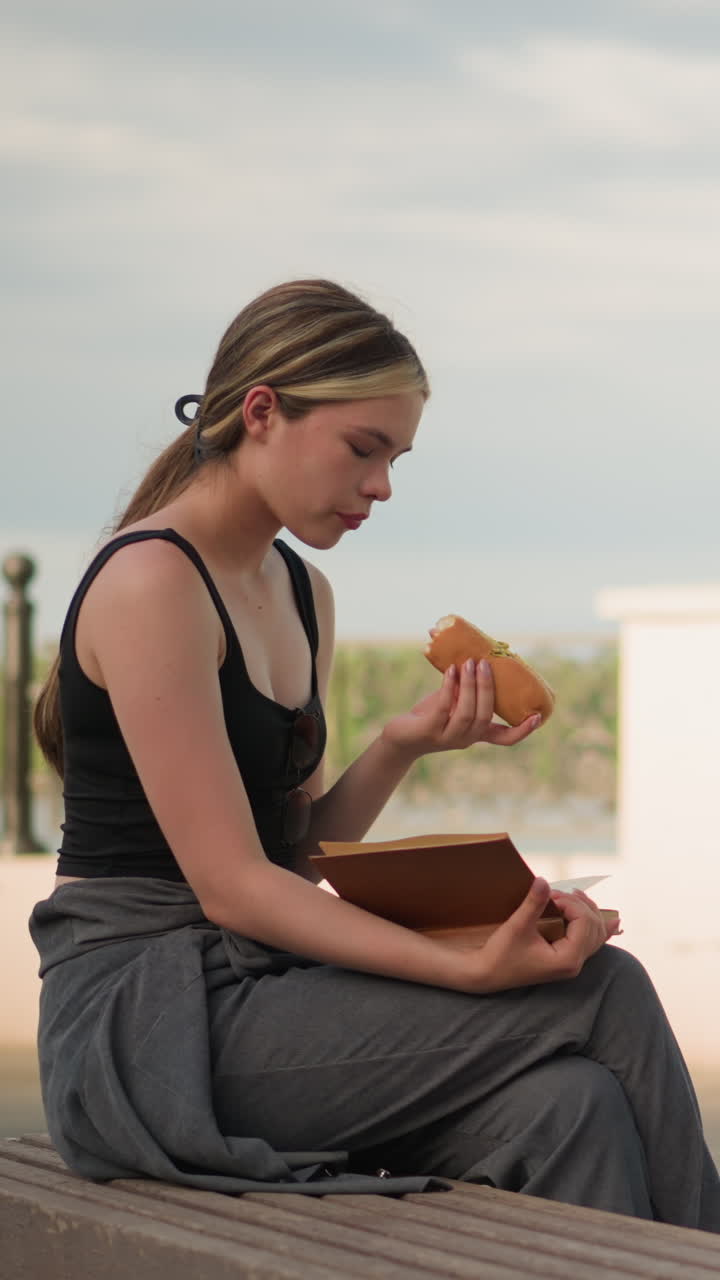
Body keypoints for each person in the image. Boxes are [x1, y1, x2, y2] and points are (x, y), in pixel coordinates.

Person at [31, 279, 720, 1223]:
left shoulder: (302, 592)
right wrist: (468, 968)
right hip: (144, 1025)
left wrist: (402, 744)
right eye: (364, 449)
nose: (382, 486)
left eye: (396, 457)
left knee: (572, 1109)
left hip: (254, 992)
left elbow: (294, 861)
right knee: (603, 990)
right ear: (263, 412)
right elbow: (234, 887)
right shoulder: (154, 581)